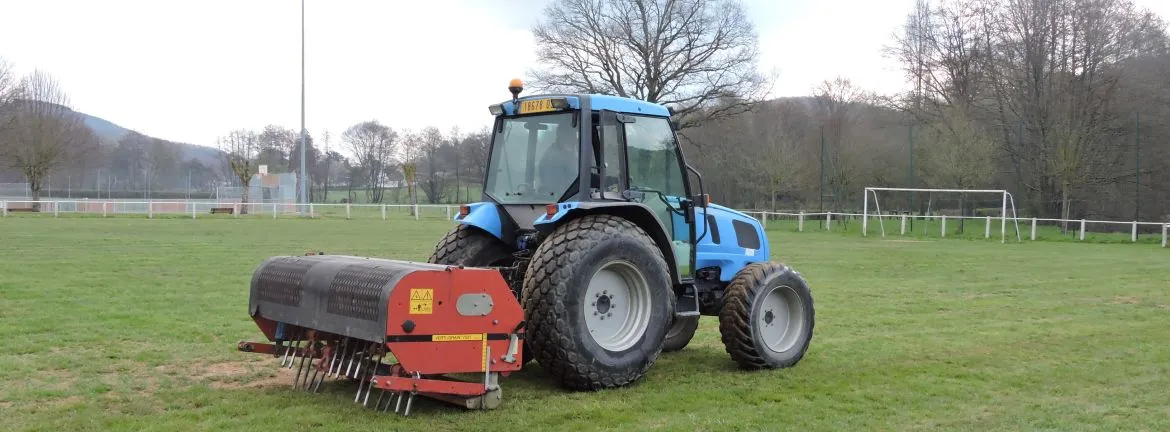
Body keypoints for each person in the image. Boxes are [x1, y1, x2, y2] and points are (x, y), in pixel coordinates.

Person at [536, 125, 578, 194]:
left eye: (574, 135)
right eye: (571, 135)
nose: (575, 138)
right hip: (560, 196)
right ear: (561, 136)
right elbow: (553, 185)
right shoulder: (552, 157)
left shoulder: (577, 151)